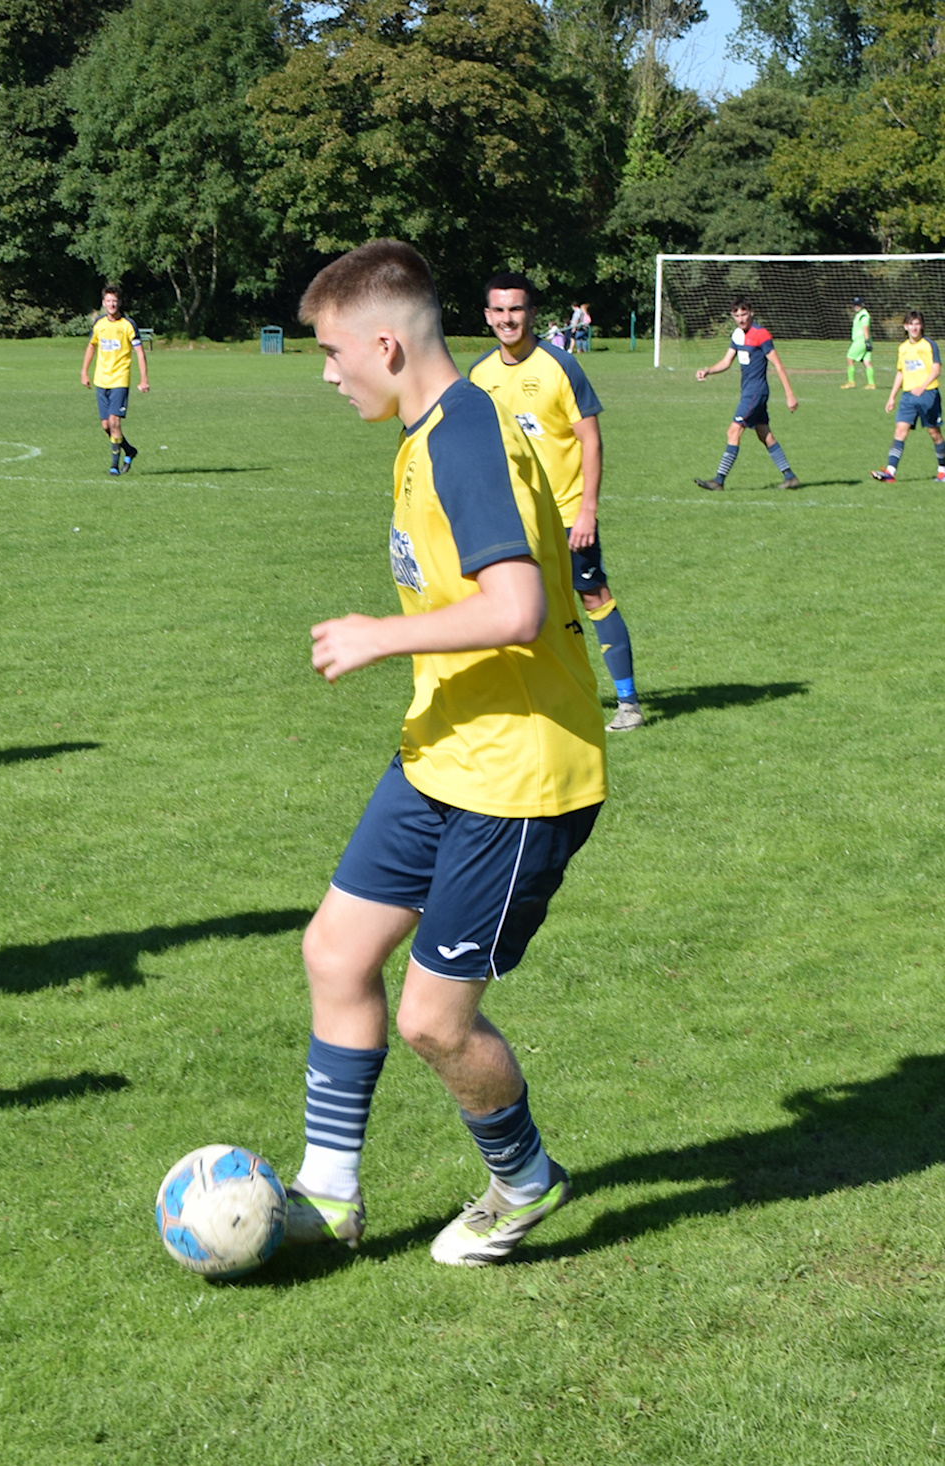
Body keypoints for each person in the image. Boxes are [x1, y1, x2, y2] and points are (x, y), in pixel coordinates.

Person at [285, 239, 605, 1267]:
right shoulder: (426, 430)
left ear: (384, 342)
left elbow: (517, 605)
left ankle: (523, 1181)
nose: (326, 373)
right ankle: (326, 1194)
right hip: (442, 752)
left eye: (332, 352)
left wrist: (379, 633)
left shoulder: (463, 436)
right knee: (334, 952)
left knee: (433, 1018)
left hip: (518, 777)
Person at [470, 272, 644, 731]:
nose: (509, 319)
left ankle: (627, 702)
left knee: (592, 595)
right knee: (513, 604)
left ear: (531, 313)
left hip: (567, 514)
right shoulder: (479, 375)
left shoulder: (560, 366)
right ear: (488, 316)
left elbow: (591, 440)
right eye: (500, 310)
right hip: (511, 519)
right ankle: (532, 699)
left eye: (517, 309)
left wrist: (588, 509)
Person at [693, 298, 799, 491]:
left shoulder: (761, 334)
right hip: (749, 392)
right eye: (737, 315)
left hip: (755, 393)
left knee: (733, 431)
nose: (741, 319)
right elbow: (726, 362)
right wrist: (708, 370)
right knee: (764, 434)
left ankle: (719, 480)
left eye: (744, 314)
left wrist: (789, 394)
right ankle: (790, 477)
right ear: (732, 316)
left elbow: (778, 365)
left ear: (752, 313)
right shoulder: (737, 335)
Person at [79, 286, 148, 475]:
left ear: (119, 302)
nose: (112, 304)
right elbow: (91, 347)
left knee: (115, 422)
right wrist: (84, 372)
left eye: (115, 301)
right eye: (108, 301)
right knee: (106, 426)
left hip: (119, 380)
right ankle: (129, 450)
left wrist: (143, 379)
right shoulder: (99, 324)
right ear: (103, 303)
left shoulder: (128, 325)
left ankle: (114, 466)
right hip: (101, 380)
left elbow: (140, 353)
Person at [870, 310, 944, 483]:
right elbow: (901, 372)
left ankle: (943, 470)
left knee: (934, 433)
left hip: (929, 394)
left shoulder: (929, 345)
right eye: (911, 324)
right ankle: (890, 472)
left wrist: (923, 387)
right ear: (905, 326)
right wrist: (891, 397)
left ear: (922, 326)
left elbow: (936, 369)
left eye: (917, 324)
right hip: (908, 397)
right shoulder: (902, 348)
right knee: (900, 431)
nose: (914, 327)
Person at [844, 297, 874, 390]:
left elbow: (865, 328)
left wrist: (867, 341)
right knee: (866, 362)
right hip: (864, 340)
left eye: (858, 304)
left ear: (863, 304)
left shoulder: (863, 315)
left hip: (861, 340)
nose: (856, 306)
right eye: (855, 304)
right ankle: (871, 384)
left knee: (849, 358)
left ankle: (851, 382)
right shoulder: (860, 314)